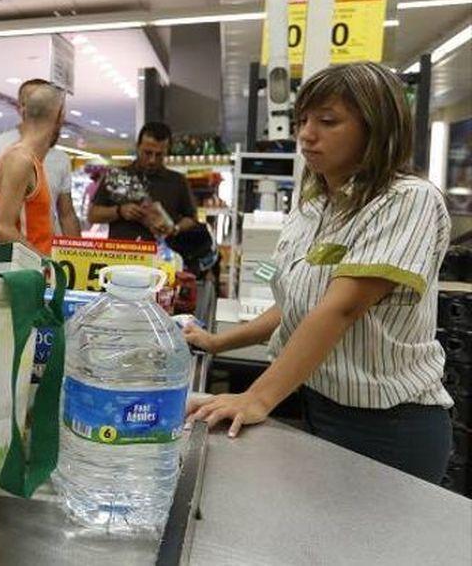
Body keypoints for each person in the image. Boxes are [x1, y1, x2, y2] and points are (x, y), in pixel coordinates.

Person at [185, 62, 453, 484]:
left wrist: (257, 397)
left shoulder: (406, 201)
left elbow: (339, 310)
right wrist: (218, 342)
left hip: (389, 427)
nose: (307, 134)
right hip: (318, 404)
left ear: (377, 128)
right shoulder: (314, 206)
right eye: (303, 120)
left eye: (328, 121)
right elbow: (296, 304)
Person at [0, 78, 81, 243]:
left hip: (36, 259)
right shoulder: (0, 148)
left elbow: (66, 215)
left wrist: (78, 259)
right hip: (6, 260)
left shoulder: (59, 159)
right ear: (21, 108)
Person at [88, 122, 197, 241]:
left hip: (164, 256)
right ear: (138, 147)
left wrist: (175, 228)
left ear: (167, 151)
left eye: (159, 155)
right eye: (147, 153)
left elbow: (191, 218)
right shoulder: (116, 177)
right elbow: (93, 215)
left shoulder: (178, 181)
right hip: (123, 255)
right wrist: (119, 211)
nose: (152, 160)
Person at [0, 83, 66, 255]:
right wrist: (45, 264)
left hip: (33, 273)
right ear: (60, 115)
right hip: (25, 276)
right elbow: (3, 230)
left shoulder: (28, 159)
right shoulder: (20, 159)